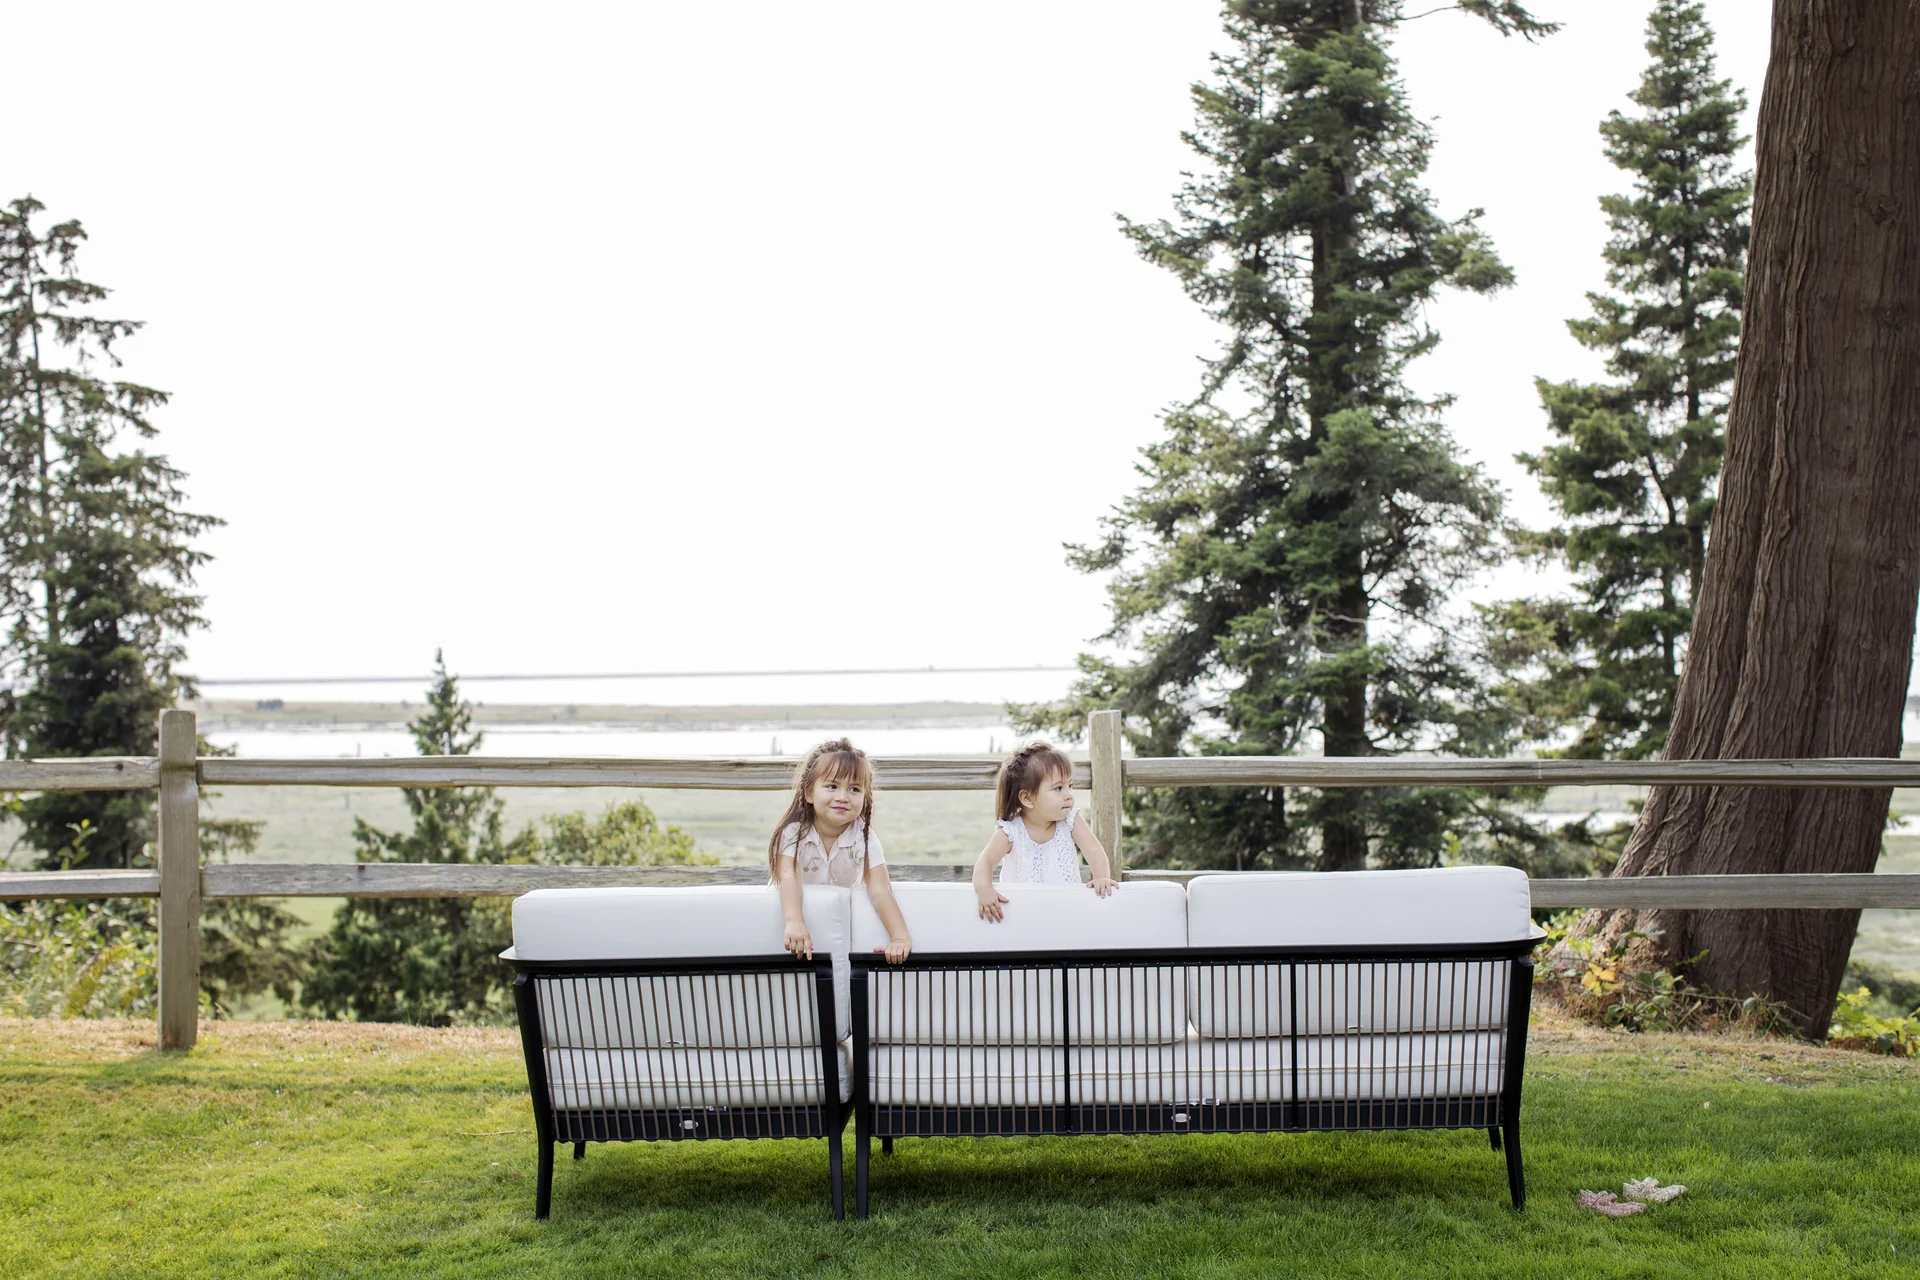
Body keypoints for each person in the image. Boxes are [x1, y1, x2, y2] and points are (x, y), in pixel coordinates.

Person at [770, 738, 912, 962]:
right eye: (832, 786)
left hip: (837, 924)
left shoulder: (864, 838)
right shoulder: (793, 834)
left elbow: (880, 889)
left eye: (854, 789)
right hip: (792, 925)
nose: (843, 797)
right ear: (809, 792)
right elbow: (789, 876)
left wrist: (900, 937)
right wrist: (794, 921)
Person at [972, 741, 1118, 922]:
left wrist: (1101, 877)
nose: (1069, 795)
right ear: (1027, 798)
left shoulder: (1070, 821)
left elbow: (1094, 850)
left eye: (1070, 786)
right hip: (1021, 915)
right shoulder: (1011, 831)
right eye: (1058, 788)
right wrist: (985, 889)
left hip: (1066, 912)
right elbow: (985, 861)